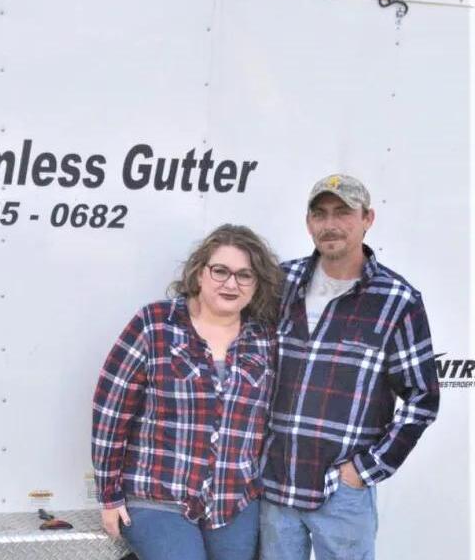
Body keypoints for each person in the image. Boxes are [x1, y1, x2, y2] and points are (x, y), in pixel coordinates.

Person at [260, 174, 440, 560]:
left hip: (340, 493)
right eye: (320, 214)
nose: (330, 224)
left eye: (343, 212)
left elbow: (422, 398)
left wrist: (365, 470)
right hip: (274, 486)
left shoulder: (396, 300)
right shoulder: (280, 283)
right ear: (308, 222)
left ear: (367, 218)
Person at [91, 224, 282, 560]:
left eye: (244, 275)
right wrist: (109, 495)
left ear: (256, 284)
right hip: (159, 497)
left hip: (234, 502)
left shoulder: (264, 339)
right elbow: (111, 411)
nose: (231, 284)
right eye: (220, 271)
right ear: (199, 273)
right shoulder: (155, 324)